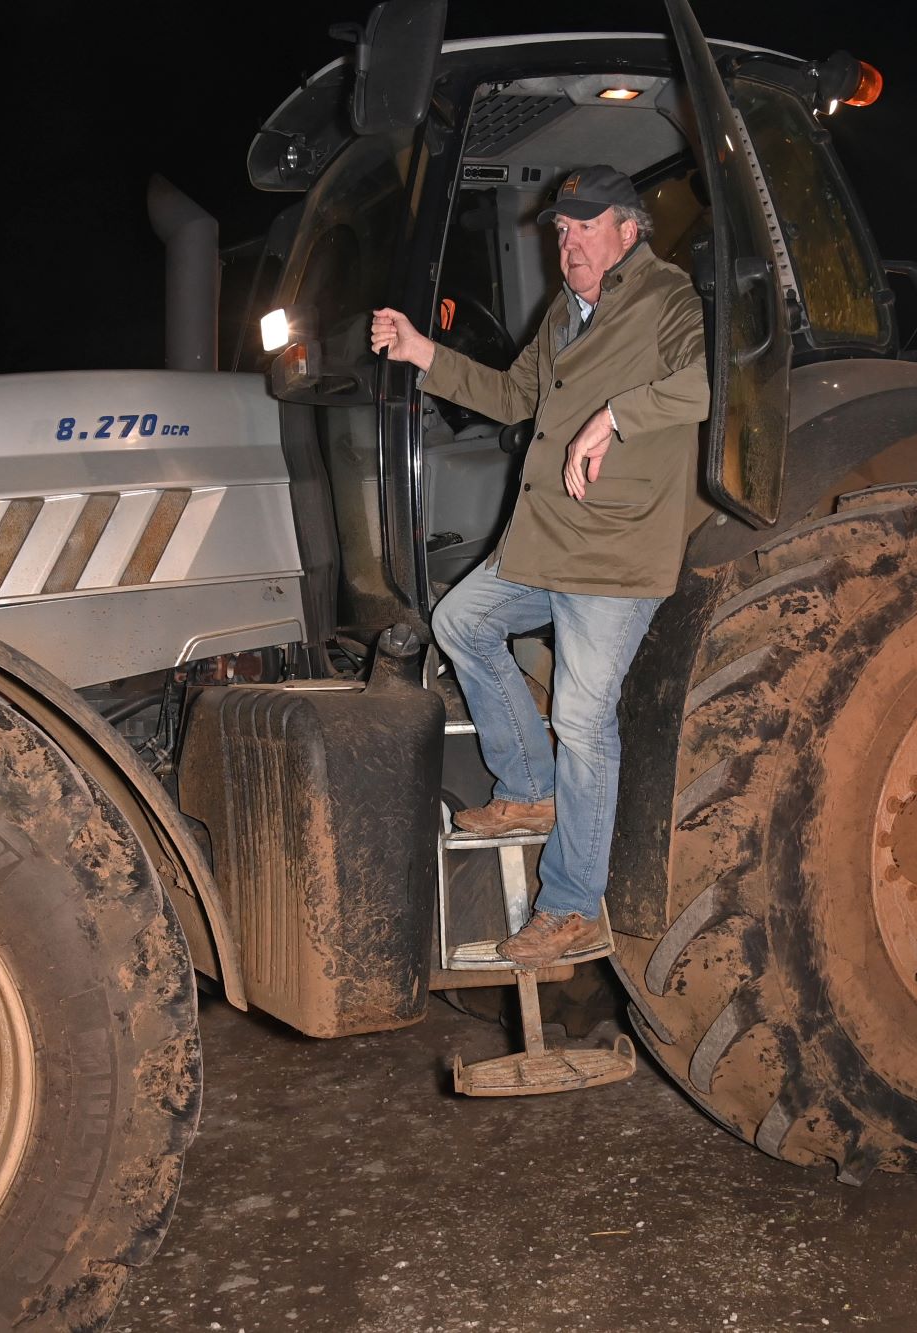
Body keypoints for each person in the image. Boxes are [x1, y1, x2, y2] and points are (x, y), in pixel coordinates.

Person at [369, 165, 709, 968]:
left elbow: (712, 382)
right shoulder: (566, 311)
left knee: (587, 721)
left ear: (629, 230)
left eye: (584, 226)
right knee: (461, 620)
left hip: (614, 553)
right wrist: (422, 352)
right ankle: (529, 787)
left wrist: (617, 416)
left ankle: (573, 907)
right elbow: (515, 393)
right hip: (547, 541)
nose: (568, 242)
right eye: (560, 229)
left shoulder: (668, 300)